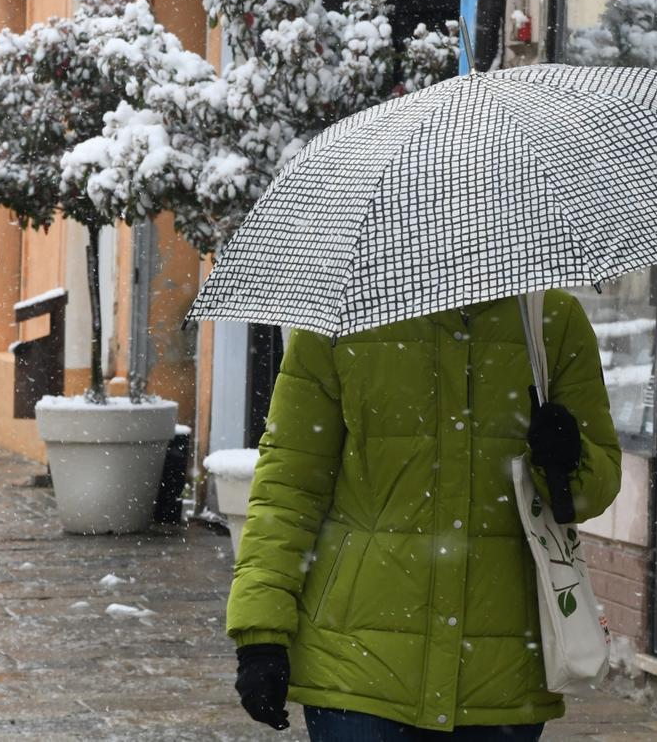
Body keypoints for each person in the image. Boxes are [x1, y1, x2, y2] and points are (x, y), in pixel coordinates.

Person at [226, 290, 622, 740]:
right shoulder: (340, 318)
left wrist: (567, 458)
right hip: (356, 668)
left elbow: (594, 493)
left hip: (501, 673)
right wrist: (261, 633)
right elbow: (289, 487)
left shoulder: (550, 321)